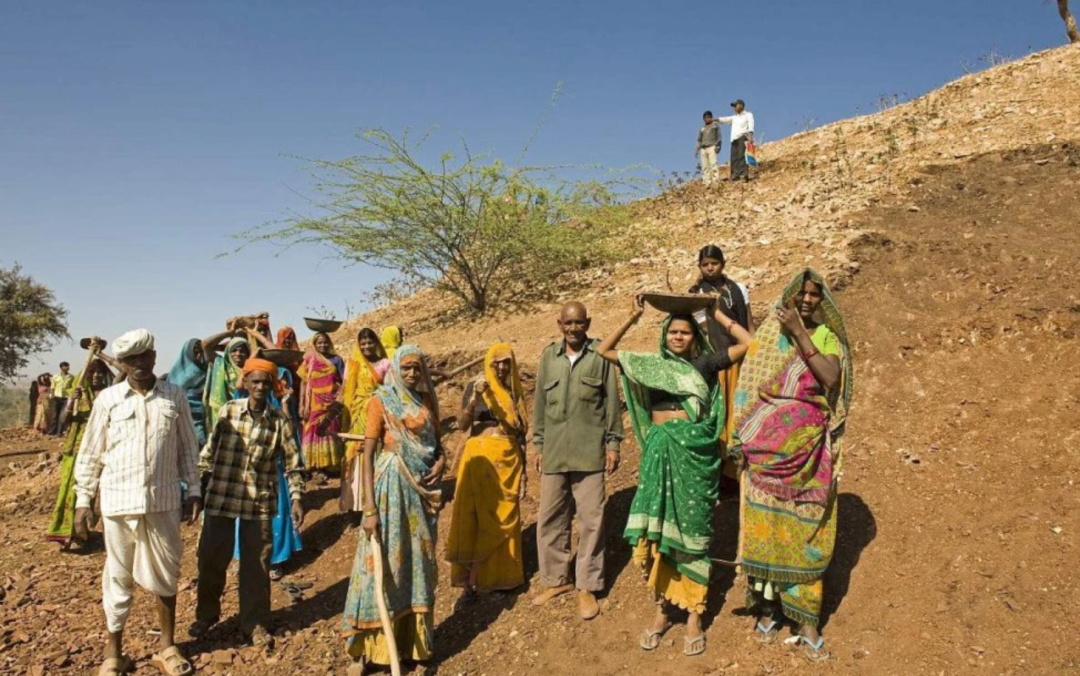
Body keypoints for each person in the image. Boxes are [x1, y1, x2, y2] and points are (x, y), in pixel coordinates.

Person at [597, 295, 752, 657]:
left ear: (694, 337)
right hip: (658, 456)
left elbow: (747, 344)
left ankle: (695, 613)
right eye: (673, 332)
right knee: (658, 535)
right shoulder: (649, 364)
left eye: (685, 332)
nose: (678, 337)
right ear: (665, 335)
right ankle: (662, 611)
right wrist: (632, 316)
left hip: (694, 459)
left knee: (694, 534)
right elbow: (605, 350)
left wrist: (716, 314)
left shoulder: (705, 364)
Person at [730, 268, 853, 663]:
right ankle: (766, 608)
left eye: (815, 295)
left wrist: (801, 333)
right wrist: (744, 439)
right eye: (802, 293)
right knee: (767, 527)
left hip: (809, 456)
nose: (807, 299)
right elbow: (749, 388)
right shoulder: (768, 336)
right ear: (789, 295)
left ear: (823, 301)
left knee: (806, 531)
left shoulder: (825, 336)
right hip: (765, 455)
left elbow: (831, 378)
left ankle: (806, 619)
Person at [72, 329, 202, 676]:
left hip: (164, 501)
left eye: (145, 356)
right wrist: (83, 500)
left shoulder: (174, 396)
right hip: (118, 501)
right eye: (132, 359)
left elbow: (188, 448)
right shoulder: (108, 400)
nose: (140, 364)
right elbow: (90, 453)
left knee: (166, 574)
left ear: (155, 357)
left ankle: (167, 647)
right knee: (118, 577)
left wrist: (194, 489)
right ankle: (113, 653)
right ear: (124, 363)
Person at [341, 345, 446, 675]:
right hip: (389, 491)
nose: (413, 373)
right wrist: (369, 507)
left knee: (420, 562)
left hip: (421, 492)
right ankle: (376, 649)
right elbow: (368, 455)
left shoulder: (427, 402)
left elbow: (438, 446)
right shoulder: (381, 400)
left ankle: (414, 645)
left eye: (418, 367)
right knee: (385, 563)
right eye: (408, 367)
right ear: (397, 369)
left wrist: (442, 462)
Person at [192, 358, 305, 648]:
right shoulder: (229, 410)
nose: (259, 387)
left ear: (272, 385)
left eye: (265, 382)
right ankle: (206, 615)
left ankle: (254, 623)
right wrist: (199, 485)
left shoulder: (279, 421)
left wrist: (296, 498)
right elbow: (209, 451)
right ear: (245, 383)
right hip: (222, 495)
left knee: (256, 566)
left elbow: (293, 463)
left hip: (259, 501)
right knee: (211, 559)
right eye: (254, 381)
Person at [531, 302, 623, 620]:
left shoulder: (600, 356)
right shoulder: (547, 357)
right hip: (554, 451)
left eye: (579, 323)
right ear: (560, 324)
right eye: (568, 323)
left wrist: (613, 444)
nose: (574, 328)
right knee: (550, 518)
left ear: (588, 323)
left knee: (591, 520)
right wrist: (539, 444)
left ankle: (587, 585)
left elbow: (611, 401)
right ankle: (557, 580)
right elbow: (540, 405)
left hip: (589, 452)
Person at [446, 343, 528, 598]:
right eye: (497, 362)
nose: (502, 367)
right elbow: (462, 425)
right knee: (479, 517)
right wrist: (473, 401)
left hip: (508, 459)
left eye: (507, 362)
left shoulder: (514, 390)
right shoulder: (477, 385)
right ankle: (474, 580)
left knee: (506, 519)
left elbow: (521, 433)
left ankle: (503, 578)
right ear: (489, 363)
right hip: (480, 458)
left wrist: (524, 473)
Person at [689, 244, 755, 457]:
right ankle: (722, 464)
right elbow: (702, 330)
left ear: (723, 264)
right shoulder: (696, 294)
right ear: (699, 267)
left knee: (741, 409)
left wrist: (755, 349)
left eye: (714, 263)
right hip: (716, 361)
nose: (710, 268)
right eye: (705, 264)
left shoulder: (739, 289)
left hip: (742, 358)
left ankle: (739, 463)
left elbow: (750, 323)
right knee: (719, 411)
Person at [45, 358, 114, 548]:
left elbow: (123, 373)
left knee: (90, 490)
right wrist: (70, 401)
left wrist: (103, 355)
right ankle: (65, 532)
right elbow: (63, 420)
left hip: (99, 448)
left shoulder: (110, 395)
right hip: (76, 447)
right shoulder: (80, 396)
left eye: (101, 372)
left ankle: (82, 533)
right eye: (93, 372)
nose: (97, 375)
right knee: (70, 488)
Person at [341, 328, 390, 512]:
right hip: (357, 414)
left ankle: (377, 499)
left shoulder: (385, 363)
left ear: (376, 343)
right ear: (358, 345)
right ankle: (355, 503)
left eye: (370, 342)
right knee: (357, 453)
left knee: (375, 452)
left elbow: (391, 389)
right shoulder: (352, 364)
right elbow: (345, 389)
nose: (367, 346)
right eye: (363, 343)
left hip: (378, 412)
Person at [166, 330, 234, 447]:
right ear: (187, 354)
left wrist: (219, 346)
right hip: (180, 421)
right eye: (195, 352)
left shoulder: (210, 368)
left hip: (204, 419)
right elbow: (206, 344)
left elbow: (222, 347)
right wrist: (229, 332)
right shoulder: (176, 375)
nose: (199, 355)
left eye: (200, 352)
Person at [298, 332, 346, 483]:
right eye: (319, 343)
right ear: (314, 344)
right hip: (313, 403)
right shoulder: (309, 360)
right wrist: (302, 403)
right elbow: (304, 382)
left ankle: (331, 466)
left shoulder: (337, 360)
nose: (323, 345)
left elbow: (345, 381)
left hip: (331, 403)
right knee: (313, 431)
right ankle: (316, 467)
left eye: (325, 342)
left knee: (330, 430)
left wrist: (339, 398)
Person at [203, 336, 251, 431]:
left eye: (242, 351)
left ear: (248, 354)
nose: (238, 354)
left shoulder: (252, 371)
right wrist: (229, 332)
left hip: (245, 416)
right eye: (234, 350)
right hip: (222, 414)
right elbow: (206, 346)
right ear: (228, 352)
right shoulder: (222, 365)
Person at [716, 99, 755, 181]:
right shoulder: (734, 117)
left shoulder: (748, 114)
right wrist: (716, 119)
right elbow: (725, 119)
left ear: (741, 105)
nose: (734, 108)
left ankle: (743, 175)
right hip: (734, 139)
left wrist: (750, 134)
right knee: (734, 158)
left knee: (742, 156)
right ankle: (735, 175)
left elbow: (751, 123)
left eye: (735, 105)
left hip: (743, 137)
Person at [695, 110, 722, 186]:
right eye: (705, 118)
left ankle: (716, 182)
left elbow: (719, 137)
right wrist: (697, 149)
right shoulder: (702, 129)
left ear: (711, 118)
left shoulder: (715, 126)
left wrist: (718, 146)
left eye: (708, 117)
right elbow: (699, 140)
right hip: (703, 149)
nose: (707, 119)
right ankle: (707, 183)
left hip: (712, 147)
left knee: (713, 165)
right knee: (705, 167)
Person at [49, 361, 74, 435]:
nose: (67, 367)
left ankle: (59, 432)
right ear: (61, 368)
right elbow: (52, 387)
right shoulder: (55, 376)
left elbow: (72, 387)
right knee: (54, 415)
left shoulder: (71, 377)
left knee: (62, 415)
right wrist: (52, 395)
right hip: (57, 397)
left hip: (66, 398)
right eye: (65, 366)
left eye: (68, 366)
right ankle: (52, 431)